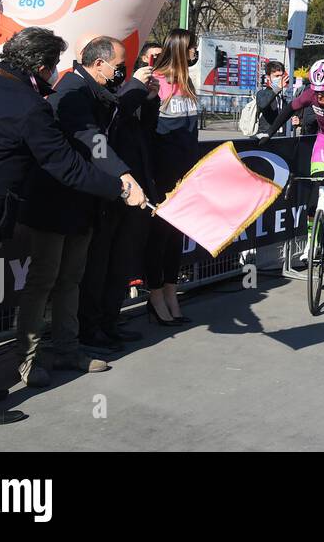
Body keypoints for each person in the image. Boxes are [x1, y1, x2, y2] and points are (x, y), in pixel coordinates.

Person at [0, 27, 145, 426]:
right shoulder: (30, 105)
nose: (55, 74)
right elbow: (64, 165)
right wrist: (118, 188)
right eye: (54, 66)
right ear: (42, 67)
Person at [16, 36, 136, 384]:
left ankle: (68, 349)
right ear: (98, 64)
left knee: (70, 280)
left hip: (82, 202)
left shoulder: (94, 92)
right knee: (43, 281)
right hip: (53, 204)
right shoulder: (71, 93)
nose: (122, 73)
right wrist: (125, 179)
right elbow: (92, 142)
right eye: (118, 67)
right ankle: (28, 358)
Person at [79, 42, 160, 351]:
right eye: (120, 65)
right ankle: (91, 327)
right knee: (98, 264)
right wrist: (136, 87)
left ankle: (110, 322)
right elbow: (113, 117)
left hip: (137, 187)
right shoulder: (106, 93)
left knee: (122, 261)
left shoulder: (132, 91)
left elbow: (145, 130)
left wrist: (150, 99)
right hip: (111, 191)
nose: (121, 70)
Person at [259, 58, 324, 258]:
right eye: (317, 91)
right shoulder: (312, 95)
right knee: (316, 193)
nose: (320, 96)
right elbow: (289, 109)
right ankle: (311, 243)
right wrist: (269, 133)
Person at [146, 28, 201, 324]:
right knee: (159, 235)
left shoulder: (187, 82)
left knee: (176, 236)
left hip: (186, 173)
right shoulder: (155, 82)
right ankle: (154, 295)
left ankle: (171, 291)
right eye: (192, 47)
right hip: (161, 175)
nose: (195, 52)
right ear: (181, 48)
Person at [254, 61, 290, 136]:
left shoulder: (283, 97)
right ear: (268, 77)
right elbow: (263, 104)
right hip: (266, 137)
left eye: (281, 76)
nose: (279, 79)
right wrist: (277, 89)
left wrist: (297, 121)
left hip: (281, 138)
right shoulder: (262, 93)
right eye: (276, 76)